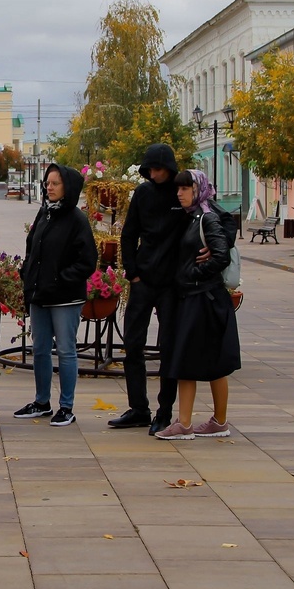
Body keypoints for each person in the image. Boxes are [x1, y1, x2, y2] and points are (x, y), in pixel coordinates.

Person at [108, 143, 191, 436]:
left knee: (168, 347)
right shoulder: (143, 193)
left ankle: (164, 411)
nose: (153, 173)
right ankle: (139, 408)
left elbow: (206, 221)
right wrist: (133, 273)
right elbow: (129, 234)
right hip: (143, 280)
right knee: (132, 343)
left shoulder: (181, 192)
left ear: (169, 167)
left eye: (158, 169)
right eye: (150, 169)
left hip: (170, 284)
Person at [154, 169, 241, 440]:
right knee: (196, 360)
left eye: (185, 188)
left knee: (196, 361)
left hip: (204, 299)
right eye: (178, 189)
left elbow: (221, 257)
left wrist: (191, 274)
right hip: (197, 298)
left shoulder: (207, 217)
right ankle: (203, 421)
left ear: (198, 189)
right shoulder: (193, 216)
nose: (179, 193)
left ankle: (199, 422)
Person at [13, 164, 97, 427]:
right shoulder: (44, 214)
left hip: (65, 297)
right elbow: (32, 249)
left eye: (55, 183)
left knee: (65, 350)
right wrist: (28, 273)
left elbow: (87, 262)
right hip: (40, 295)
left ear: (67, 187)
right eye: (47, 183)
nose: (49, 187)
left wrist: (61, 278)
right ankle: (41, 402)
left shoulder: (76, 220)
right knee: (39, 349)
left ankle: (66, 407)